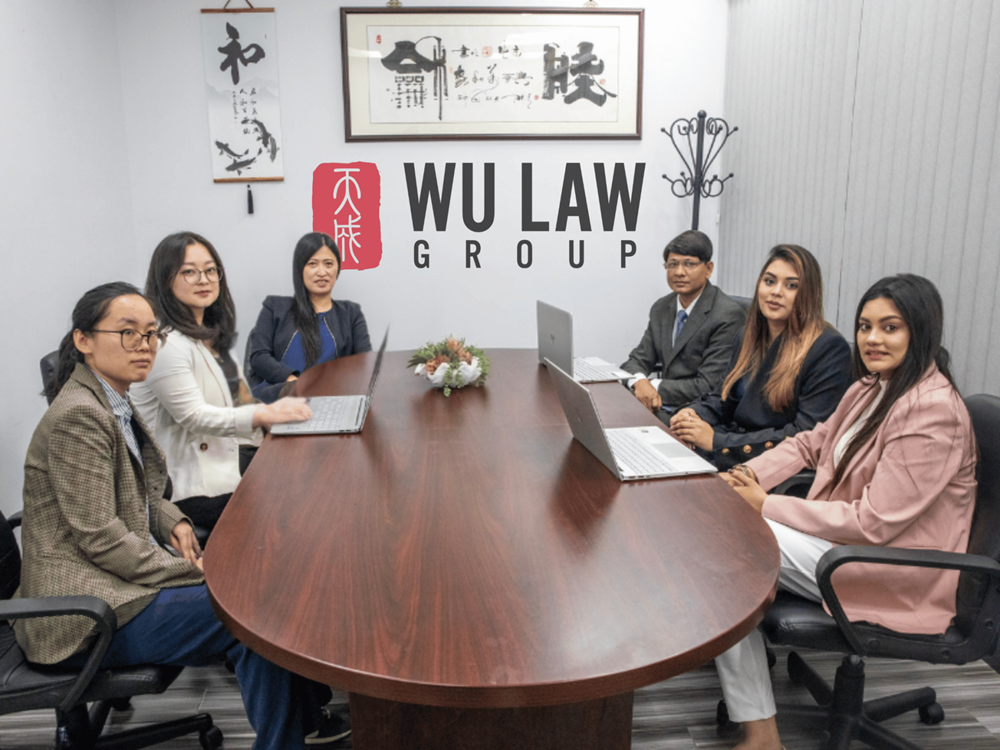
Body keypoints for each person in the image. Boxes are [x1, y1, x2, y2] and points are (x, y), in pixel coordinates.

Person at [20, 282, 348, 749]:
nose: (144, 345)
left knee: (260, 595)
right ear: (83, 340)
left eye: (150, 334)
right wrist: (196, 571)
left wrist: (170, 518)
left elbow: (130, 490)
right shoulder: (79, 417)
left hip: (114, 585)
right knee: (250, 614)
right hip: (84, 615)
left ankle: (302, 724)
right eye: (127, 333)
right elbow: (102, 539)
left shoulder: (111, 397)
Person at [713, 274, 977, 750]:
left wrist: (766, 504)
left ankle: (761, 735)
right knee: (727, 533)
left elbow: (873, 523)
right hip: (846, 545)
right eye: (865, 326)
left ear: (921, 331)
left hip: (892, 566)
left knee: (729, 548)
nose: (872, 339)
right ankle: (758, 726)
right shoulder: (871, 387)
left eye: (890, 327)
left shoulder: (932, 412)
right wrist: (749, 475)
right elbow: (810, 444)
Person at [132, 231, 311, 536]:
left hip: (226, 455)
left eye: (210, 270)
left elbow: (239, 399)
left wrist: (277, 418)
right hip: (190, 483)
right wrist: (265, 415)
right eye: (189, 272)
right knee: (296, 501)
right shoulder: (165, 344)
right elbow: (195, 417)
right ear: (165, 279)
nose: (203, 279)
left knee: (308, 468)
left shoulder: (210, 334)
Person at [670, 244, 852, 470]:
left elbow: (806, 436)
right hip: (727, 451)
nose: (776, 291)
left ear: (808, 293)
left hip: (765, 467)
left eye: (791, 285)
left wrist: (718, 442)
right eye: (769, 281)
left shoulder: (828, 348)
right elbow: (723, 397)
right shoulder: (747, 336)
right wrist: (693, 414)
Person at [621, 230, 745, 423]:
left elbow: (708, 385)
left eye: (689, 264)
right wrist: (639, 381)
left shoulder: (727, 315)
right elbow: (637, 360)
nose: (679, 272)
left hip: (697, 413)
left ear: (708, 269)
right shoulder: (662, 307)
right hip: (662, 405)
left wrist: (652, 385)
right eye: (672, 264)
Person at [247, 232, 371, 403]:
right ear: (300, 269)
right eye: (312, 264)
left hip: (331, 399)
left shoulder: (351, 314)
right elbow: (259, 356)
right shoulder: (274, 307)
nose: (322, 272)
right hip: (281, 396)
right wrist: (295, 384)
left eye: (328, 264)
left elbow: (363, 364)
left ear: (337, 269)